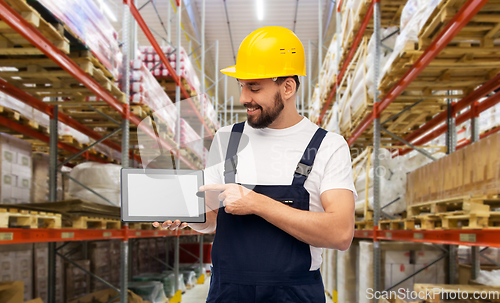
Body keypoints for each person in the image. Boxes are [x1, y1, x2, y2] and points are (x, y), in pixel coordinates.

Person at [154, 26, 356, 303]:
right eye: (242, 86)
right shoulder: (227, 139)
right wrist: (189, 217)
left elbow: (341, 233)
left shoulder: (328, 145)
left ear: (287, 87)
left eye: (255, 87)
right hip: (228, 291)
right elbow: (212, 219)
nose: (243, 98)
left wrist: (257, 203)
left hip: (294, 294)